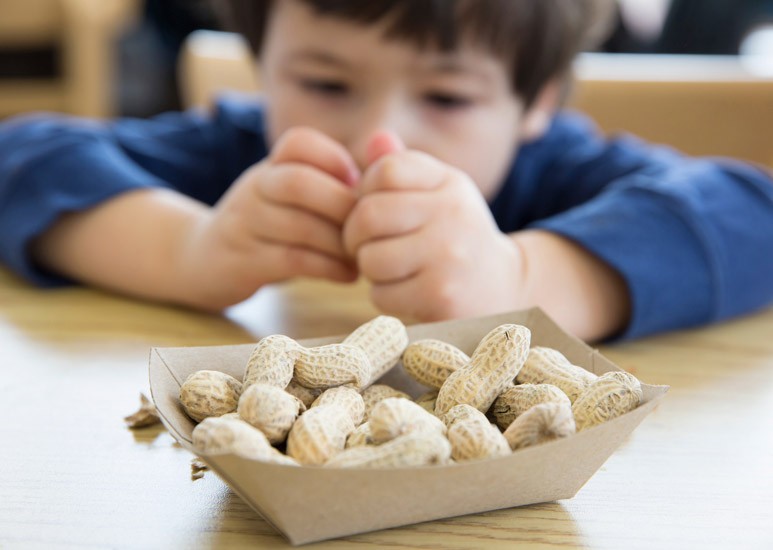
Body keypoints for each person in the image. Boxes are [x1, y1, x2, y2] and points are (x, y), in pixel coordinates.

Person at [0, 0, 771, 343]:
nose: (380, 138)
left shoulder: (557, 170)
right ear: (261, 65)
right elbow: (24, 154)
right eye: (324, 83)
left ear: (536, 101)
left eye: (446, 96)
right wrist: (186, 249)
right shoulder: (241, 156)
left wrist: (522, 279)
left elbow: (751, 213)